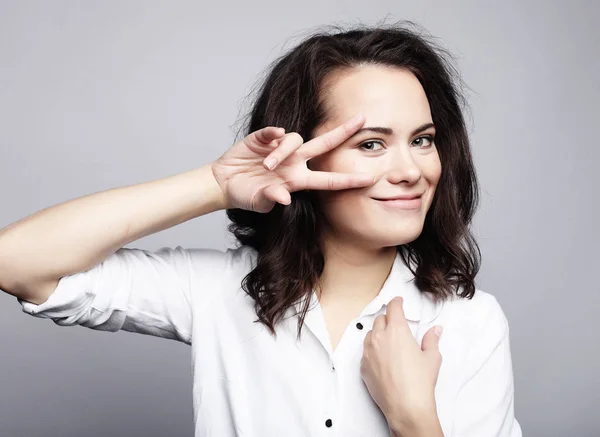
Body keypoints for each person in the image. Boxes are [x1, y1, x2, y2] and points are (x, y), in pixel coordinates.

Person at [0, 21, 522, 437]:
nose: (412, 170)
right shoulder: (216, 292)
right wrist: (216, 184)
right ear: (298, 152)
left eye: (423, 139)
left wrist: (413, 421)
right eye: (371, 143)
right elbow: (15, 261)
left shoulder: (471, 323)